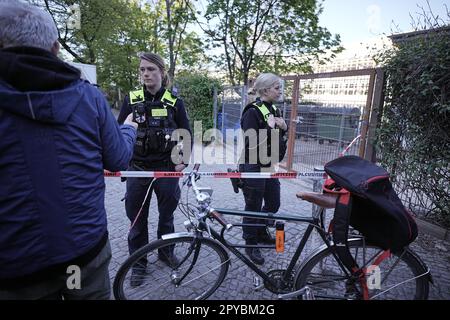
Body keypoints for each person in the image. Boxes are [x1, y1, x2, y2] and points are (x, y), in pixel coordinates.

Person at [0, 1, 137, 300]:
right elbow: (118, 157)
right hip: (82, 256)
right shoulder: (89, 96)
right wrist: (129, 129)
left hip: (20, 269)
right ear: (55, 47)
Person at [117, 52, 191, 287]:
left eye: (151, 69)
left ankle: (166, 252)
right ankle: (138, 263)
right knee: (137, 220)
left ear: (162, 72)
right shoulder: (131, 100)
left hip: (166, 169)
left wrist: (183, 160)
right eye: (142, 70)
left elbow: (186, 133)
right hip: (137, 169)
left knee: (166, 217)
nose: (146, 73)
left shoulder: (174, 101)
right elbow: (119, 133)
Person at [239, 73, 288, 265]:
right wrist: (270, 129)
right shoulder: (252, 111)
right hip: (253, 165)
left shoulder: (274, 109)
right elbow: (251, 142)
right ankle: (251, 242)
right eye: (277, 87)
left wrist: (284, 127)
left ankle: (259, 230)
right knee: (252, 206)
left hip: (269, 164)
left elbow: (279, 138)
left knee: (273, 203)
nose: (280, 90)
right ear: (266, 90)